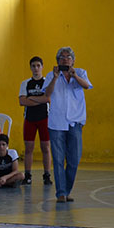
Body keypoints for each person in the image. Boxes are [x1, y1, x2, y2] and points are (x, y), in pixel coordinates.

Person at [43, 47, 92, 203]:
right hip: (56, 123)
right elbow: (47, 94)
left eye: (68, 57)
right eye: (62, 57)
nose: (65, 59)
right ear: (57, 60)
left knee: (74, 159)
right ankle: (61, 193)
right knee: (58, 159)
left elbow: (86, 86)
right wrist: (55, 78)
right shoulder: (51, 75)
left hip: (75, 122)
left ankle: (67, 190)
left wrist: (74, 75)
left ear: (73, 60)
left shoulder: (81, 72)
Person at [18, 56, 52, 185]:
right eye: (33, 66)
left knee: (46, 148)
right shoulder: (25, 83)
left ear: (42, 67)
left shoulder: (47, 82)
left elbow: (48, 99)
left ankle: (47, 175)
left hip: (45, 118)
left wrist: (31, 98)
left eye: (38, 65)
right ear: (30, 67)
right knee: (28, 148)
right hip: (30, 119)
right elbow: (22, 101)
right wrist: (40, 99)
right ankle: (27, 175)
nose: (36, 68)